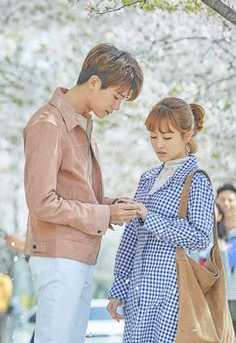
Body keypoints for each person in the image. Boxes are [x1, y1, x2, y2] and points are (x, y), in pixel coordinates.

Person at [23, 43, 143, 343]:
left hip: (79, 256)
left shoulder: (81, 124)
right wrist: (104, 213)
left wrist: (111, 205)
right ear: (94, 83)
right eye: (116, 96)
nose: (116, 107)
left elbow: (74, 195)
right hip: (58, 257)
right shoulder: (48, 124)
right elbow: (42, 202)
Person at [107, 97, 214, 343]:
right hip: (138, 293)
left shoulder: (196, 180)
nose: (158, 145)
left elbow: (199, 236)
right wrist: (118, 288)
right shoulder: (147, 178)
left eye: (167, 137)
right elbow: (130, 239)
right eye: (153, 137)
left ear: (187, 135)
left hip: (173, 293)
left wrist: (149, 217)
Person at [216, 183, 236, 334]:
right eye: (222, 200)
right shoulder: (211, 234)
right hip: (219, 296)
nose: (226, 204)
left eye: (230, 200)